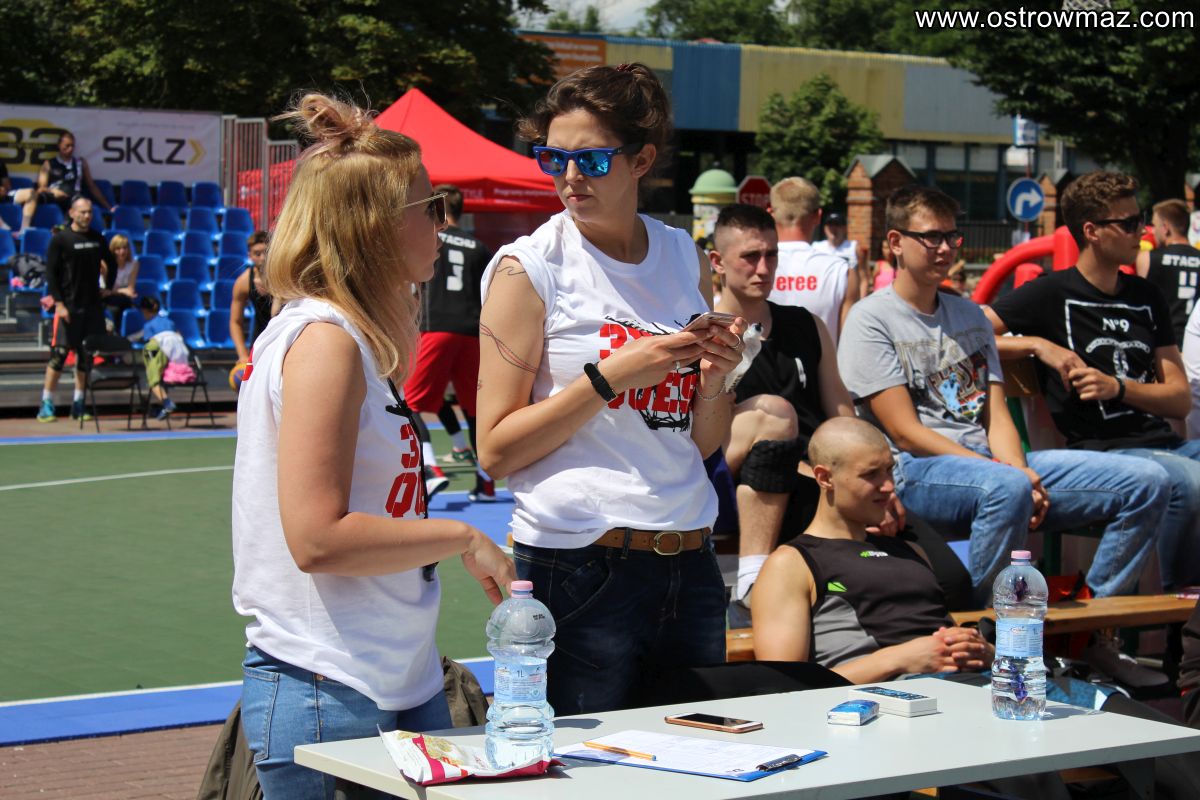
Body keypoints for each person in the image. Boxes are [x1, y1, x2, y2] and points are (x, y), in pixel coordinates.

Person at [231, 93, 514, 798]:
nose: (442, 222)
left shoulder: (357, 342)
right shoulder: (325, 342)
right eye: (430, 206)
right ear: (377, 227)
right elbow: (317, 539)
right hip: (329, 685)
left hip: (395, 677)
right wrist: (463, 536)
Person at [476, 63, 746, 715]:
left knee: (694, 756)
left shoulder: (682, 255)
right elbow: (494, 451)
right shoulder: (529, 268)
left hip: (690, 556)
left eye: (592, 160)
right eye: (553, 158)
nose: (570, 177)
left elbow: (700, 444)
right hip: (580, 565)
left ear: (641, 160)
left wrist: (716, 381)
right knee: (583, 762)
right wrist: (611, 376)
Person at [837, 184, 1167, 607]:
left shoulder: (969, 315)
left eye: (952, 236)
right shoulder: (871, 318)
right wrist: (1008, 475)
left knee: (1149, 482)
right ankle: (986, 626)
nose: (945, 248)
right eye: (931, 237)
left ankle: (1094, 623)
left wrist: (1019, 470)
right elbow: (905, 433)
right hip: (914, 472)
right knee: (1007, 487)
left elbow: (995, 414)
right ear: (897, 242)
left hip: (990, 468)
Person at [986, 172, 1200, 592]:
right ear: (1092, 231)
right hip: (1106, 452)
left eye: (1141, 219)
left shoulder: (1146, 296)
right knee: (1191, 484)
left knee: (1187, 476)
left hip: (1164, 445)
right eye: (1129, 223)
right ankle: (1182, 612)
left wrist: (1116, 386)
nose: (1142, 232)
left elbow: (1179, 399)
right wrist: (1037, 345)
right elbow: (966, 330)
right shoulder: (1051, 292)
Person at [709, 204, 856, 608]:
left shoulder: (806, 324)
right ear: (718, 262)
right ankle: (753, 583)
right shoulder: (705, 334)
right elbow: (705, 437)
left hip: (818, 476)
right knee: (774, 413)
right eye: (750, 257)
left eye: (771, 255)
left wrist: (863, 470)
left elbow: (841, 412)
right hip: (741, 478)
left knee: (939, 573)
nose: (763, 268)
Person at [405, 184, 496, 502]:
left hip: (436, 328)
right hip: (472, 332)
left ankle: (431, 470)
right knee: (474, 409)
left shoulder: (432, 239)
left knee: (410, 404)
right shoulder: (479, 247)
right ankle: (486, 482)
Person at [37, 197, 117, 423]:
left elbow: (111, 263)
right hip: (68, 307)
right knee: (60, 355)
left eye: (89, 212)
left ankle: (79, 403)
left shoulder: (97, 238)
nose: (87, 216)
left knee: (85, 356)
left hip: (92, 307)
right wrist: (60, 304)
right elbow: (51, 273)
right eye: (82, 212)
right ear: (72, 213)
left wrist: (108, 288)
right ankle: (46, 404)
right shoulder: (60, 239)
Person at [767, 178, 858, 347]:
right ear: (818, 216)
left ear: (770, 213)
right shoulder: (842, 272)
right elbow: (848, 345)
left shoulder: (750, 267)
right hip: (823, 363)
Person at [12, 131, 112, 231]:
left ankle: (66, 228)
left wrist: (108, 206)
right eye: (67, 146)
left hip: (73, 196)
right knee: (35, 196)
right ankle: (26, 229)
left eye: (72, 146)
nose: (70, 149)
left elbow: (92, 186)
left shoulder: (80, 163)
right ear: (59, 145)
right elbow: (41, 188)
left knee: (81, 203)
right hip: (54, 194)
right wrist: (52, 191)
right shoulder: (49, 164)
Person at [1136, 198, 1200, 342]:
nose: (1152, 231)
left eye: (1154, 225)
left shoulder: (1147, 258)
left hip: (1162, 343)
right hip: (1196, 339)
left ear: (1165, 228)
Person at [131, 296, 190, 420]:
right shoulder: (169, 322)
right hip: (178, 347)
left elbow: (150, 343)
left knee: (153, 380)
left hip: (157, 346)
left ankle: (167, 403)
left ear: (145, 311)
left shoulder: (148, 325)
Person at [229, 231, 273, 365]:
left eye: (266, 252)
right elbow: (235, 321)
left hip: (284, 334)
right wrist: (243, 355)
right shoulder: (243, 282)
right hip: (260, 338)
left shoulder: (283, 277)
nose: (263, 258)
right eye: (257, 254)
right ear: (250, 256)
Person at [101, 233, 139, 331]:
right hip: (109, 300)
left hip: (123, 299)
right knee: (113, 308)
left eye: (124, 248)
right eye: (118, 249)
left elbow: (130, 290)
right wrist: (122, 291)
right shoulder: (105, 265)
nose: (122, 252)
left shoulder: (134, 264)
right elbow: (105, 290)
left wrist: (113, 291)